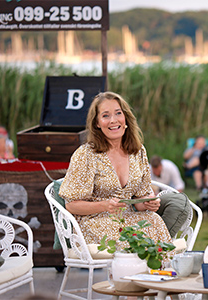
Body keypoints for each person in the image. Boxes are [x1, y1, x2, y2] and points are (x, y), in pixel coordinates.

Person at [59, 91, 173, 253]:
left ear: (125, 118)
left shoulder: (138, 151)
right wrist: (104, 205)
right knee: (132, 239)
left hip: (127, 219)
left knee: (154, 220)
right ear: (97, 123)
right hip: (94, 222)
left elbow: (139, 202)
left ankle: (161, 275)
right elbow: (71, 205)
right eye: (105, 116)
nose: (113, 120)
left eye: (118, 113)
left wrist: (147, 202)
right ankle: (133, 275)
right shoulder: (86, 154)